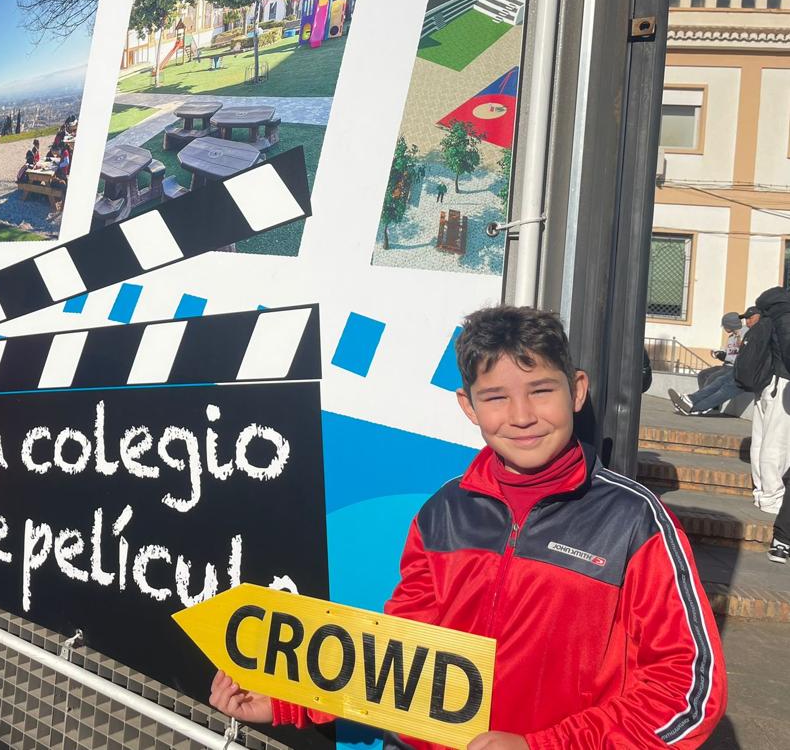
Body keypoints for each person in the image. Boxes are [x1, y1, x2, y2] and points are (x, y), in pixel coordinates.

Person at [210, 305, 726, 749]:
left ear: (577, 391)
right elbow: (400, 657)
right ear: (469, 407)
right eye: (496, 396)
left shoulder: (635, 520)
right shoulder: (443, 513)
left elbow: (689, 688)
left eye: (541, 390)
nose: (522, 415)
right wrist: (290, 702)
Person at [748, 288, 790, 519]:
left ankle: (761, 490)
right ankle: (772, 497)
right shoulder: (786, 315)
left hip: (766, 384)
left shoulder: (770, 315)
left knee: (762, 440)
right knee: (778, 443)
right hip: (782, 384)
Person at [668, 311, 749, 415]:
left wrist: (728, 354)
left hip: (734, 367)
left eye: (725, 326)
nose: (724, 329)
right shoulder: (731, 337)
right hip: (727, 365)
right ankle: (698, 402)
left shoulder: (745, 334)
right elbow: (729, 353)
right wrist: (719, 353)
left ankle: (700, 403)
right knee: (703, 374)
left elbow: (742, 353)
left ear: (730, 325)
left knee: (714, 377)